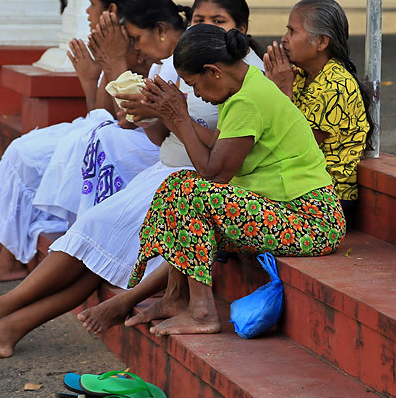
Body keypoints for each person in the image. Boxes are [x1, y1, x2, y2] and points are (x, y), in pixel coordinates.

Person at [0, 0, 266, 356]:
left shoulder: (243, 74)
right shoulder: (189, 61)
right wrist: (145, 110)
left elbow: (223, 156)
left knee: (93, 235)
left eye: (218, 22)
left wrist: (173, 114)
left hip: (190, 181)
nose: (206, 28)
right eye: (198, 20)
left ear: (240, 27)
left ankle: (2, 310)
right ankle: (6, 328)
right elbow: (161, 132)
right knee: (93, 251)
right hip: (167, 169)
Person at [122, 25, 346, 336]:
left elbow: (214, 174)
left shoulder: (248, 99)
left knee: (191, 190)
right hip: (283, 211)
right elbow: (220, 143)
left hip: (310, 223)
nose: (196, 94)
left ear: (212, 71)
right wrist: (173, 115)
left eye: (194, 85)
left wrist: (179, 118)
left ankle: (201, 312)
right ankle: (175, 297)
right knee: (177, 185)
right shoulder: (245, 85)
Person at [0, 0, 153, 285]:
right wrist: (94, 75)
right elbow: (99, 110)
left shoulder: (135, 44)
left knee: (27, 153)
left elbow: (114, 115)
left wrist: (108, 65)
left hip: (125, 137)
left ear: (111, 8)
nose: (86, 12)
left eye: (92, 4)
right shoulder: (112, 41)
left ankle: (9, 260)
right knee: (21, 148)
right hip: (100, 127)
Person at [263, 0, 371, 224]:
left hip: (328, 199)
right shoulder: (300, 75)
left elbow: (296, 147)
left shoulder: (336, 86)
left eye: (292, 32)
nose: (284, 39)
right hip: (296, 186)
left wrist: (282, 89)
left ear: (321, 41)